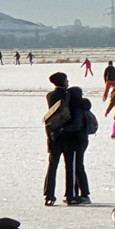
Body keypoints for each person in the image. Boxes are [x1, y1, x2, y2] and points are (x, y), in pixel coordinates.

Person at [43, 73, 71, 205]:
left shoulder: (50, 96)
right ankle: (70, 194)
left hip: (53, 132)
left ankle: (49, 194)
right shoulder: (67, 95)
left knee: (52, 165)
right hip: (67, 134)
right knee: (69, 165)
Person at [62, 88, 92, 205]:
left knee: (77, 166)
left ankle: (83, 194)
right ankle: (80, 193)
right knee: (77, 166)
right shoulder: (80, 106)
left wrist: (62, 129)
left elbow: (76, 125)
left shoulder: (77, 108)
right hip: (80, 140)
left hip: (76, 140)